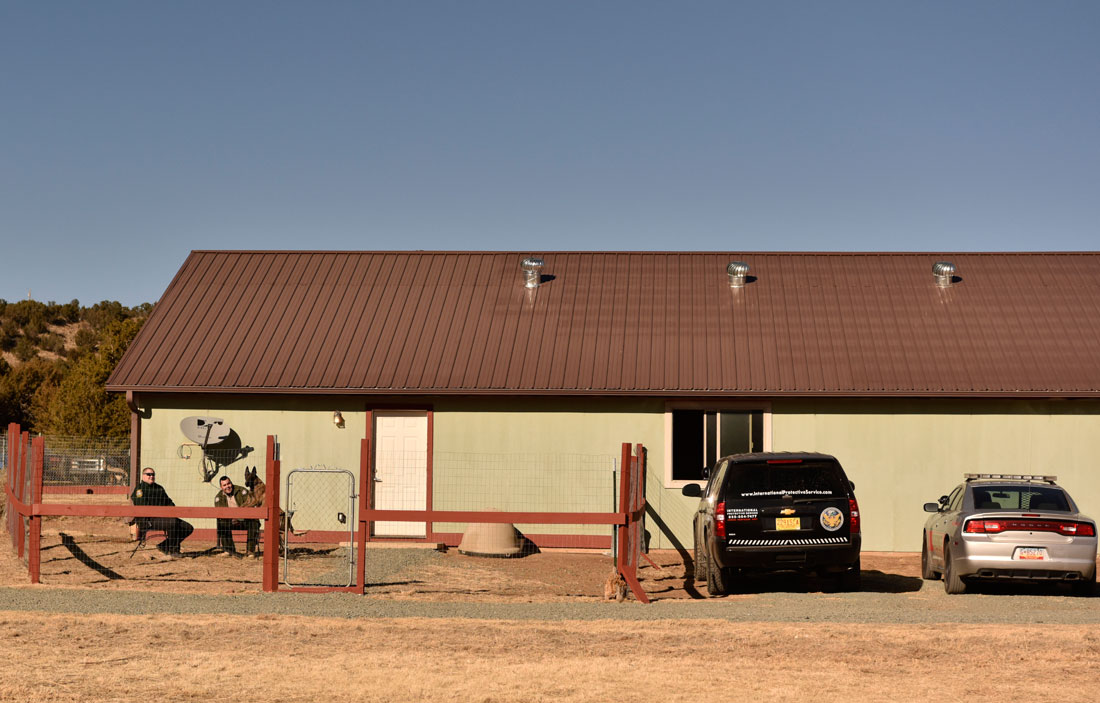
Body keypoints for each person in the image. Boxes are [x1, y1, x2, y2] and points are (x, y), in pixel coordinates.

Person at [130, 467, 193, 558]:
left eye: (153, 474)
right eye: (149, 474)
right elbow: (143, 508)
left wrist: (173, 511)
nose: (151, 476)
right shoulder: (140, 490)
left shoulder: (159, 488)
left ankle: (164, 546)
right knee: (172, 522)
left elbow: (169, 502)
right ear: (143, 476)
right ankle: (173, 550)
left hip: (164, 518)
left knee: (188, 527)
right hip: (148, 520)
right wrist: (163, 513)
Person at [214, 475, 260, 557]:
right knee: (222, 522)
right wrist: (232, 519)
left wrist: (239, 518)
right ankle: (228, 550)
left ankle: (250, 552)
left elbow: (250, 506)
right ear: (221, 487)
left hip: (245, 520)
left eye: (229, 484)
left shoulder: (242, 491)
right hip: (230, 521)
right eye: (224, 485)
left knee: (253, 522)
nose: (227, 486)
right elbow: (221, 513)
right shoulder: (219, 497)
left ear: (231, 483)